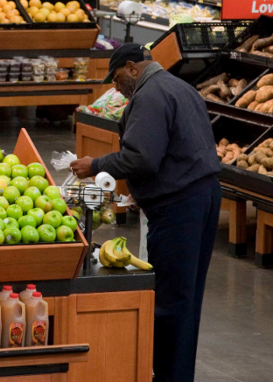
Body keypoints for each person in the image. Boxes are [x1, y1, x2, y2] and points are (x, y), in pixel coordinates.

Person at [70, 44, 221, 382]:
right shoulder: (178, 86)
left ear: (132, 68)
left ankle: (169, 377)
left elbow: (142, 158)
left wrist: (95, 165)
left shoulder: (150, 95)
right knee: (187, 296)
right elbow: (178, 147)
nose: (116, 85)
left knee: (170, 299)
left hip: (181, 206)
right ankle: (178, 374)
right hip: (204, 194)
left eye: (117, 77)